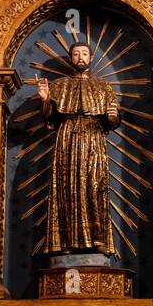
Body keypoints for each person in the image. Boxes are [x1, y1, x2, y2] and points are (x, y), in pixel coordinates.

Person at [36, 41, 120, 255]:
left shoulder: (102, 86)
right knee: (67, 188)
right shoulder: (59, 85)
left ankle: (98, 239)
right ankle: (66, 241)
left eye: (84, 53)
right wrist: (46, 100)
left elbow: (113, 118)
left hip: (93, 138)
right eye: (76, 54)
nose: (80, 57)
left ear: (91, 58)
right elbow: (50, 118)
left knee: (94, 187)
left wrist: (112, 116)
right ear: (70, 58)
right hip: (67, 137)